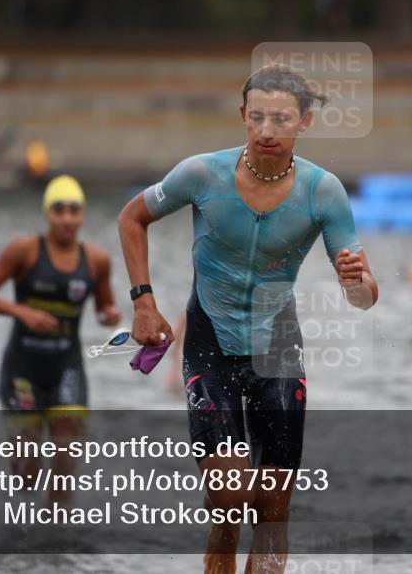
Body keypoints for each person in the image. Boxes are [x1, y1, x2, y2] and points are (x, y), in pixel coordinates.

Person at [118, 65, 378, 574]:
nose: (266, 130)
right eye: (256, 117)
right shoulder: (201, 174)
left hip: (277, 347)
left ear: (303, 122)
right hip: (209, 342)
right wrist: (144, 302)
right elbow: (132, 217)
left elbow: (365, 298)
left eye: (280, 119)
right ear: (242, 116)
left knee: (274, 513)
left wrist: (355, 282)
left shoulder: (324, 192)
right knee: (231, 498)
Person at [0, 174, 121, 506]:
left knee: (66, 461)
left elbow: (104, 308)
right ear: (47, 214)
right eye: (59, 210)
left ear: (82, 214)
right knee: (27, 470)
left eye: (74, 210)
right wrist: (22, 313)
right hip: (22, 369)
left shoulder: (97, 260)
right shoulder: (23, 252)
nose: (67, 219)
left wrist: (110, 316)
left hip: (66, 367)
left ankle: (57, 537)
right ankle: (19, 530)